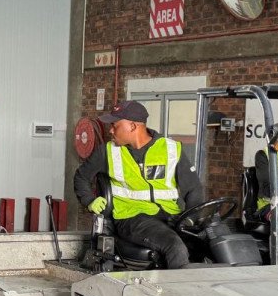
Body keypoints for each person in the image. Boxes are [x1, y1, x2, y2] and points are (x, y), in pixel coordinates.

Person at [74, 100, 204, 269]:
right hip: (132, 217)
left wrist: (192, 220)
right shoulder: (108, 151)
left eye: (115, 125)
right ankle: (175, 294)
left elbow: (193, 188)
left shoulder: (171, 149)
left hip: (171, 215)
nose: (111, 131)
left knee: (211, 239)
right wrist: (89, 200)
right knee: (175, 246)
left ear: (133, 126)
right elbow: (81, 177)